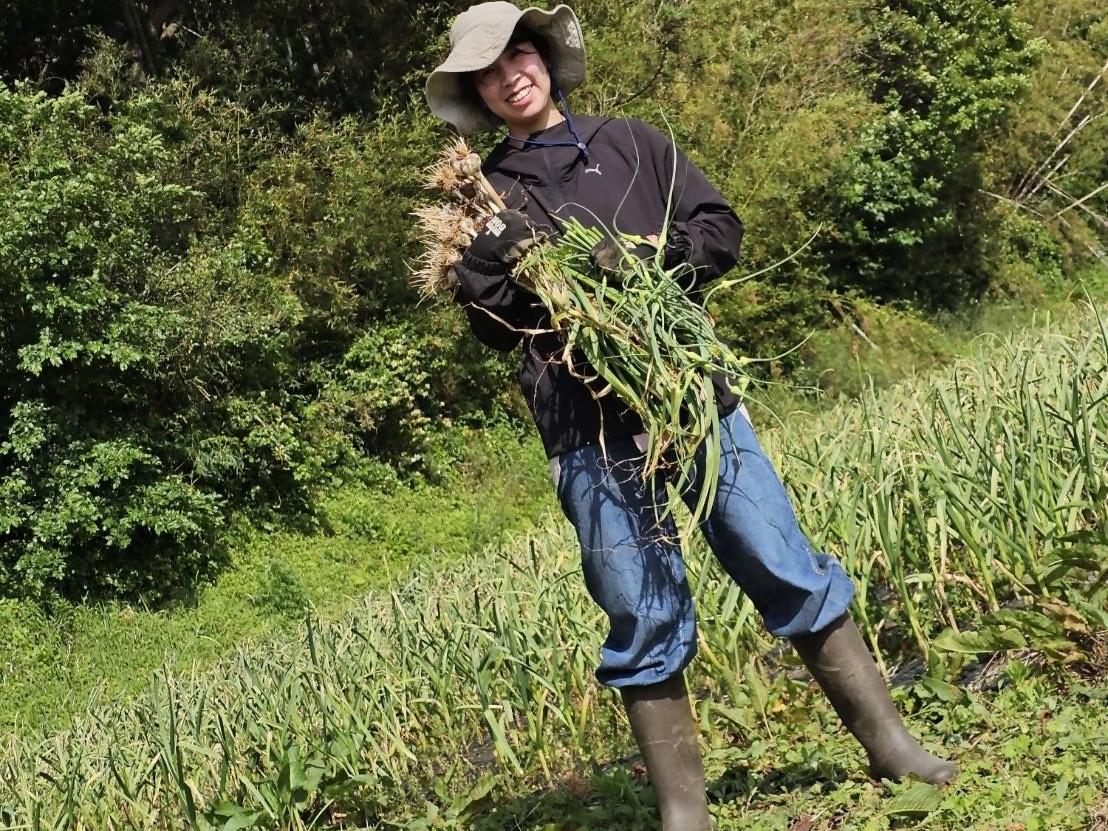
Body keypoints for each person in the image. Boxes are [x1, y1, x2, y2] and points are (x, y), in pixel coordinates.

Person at [425, 4, 957, 828]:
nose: (509, 77)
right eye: (488, 73)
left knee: (780, 559)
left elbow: (719, 228)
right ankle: (685, 814)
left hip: (691, 396)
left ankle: (892, 747)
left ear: (545, 60)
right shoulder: (482, 198)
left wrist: (653, 258)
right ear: (478, 96)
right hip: (587, 428)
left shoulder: (632, 143)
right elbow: (492, 331)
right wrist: (491, 268)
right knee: (639, 606)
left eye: (518, 55)